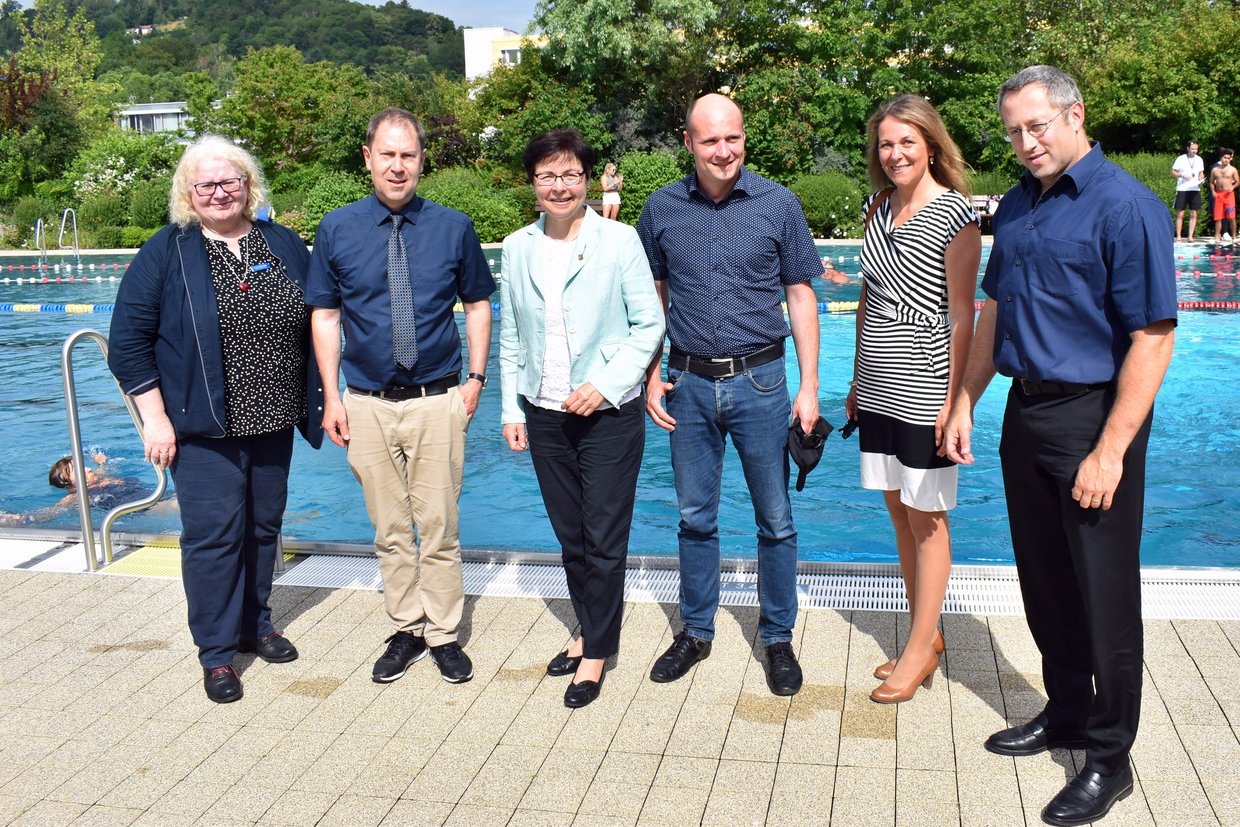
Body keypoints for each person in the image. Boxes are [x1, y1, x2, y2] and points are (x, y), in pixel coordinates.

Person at [942, 66, 1176, 826]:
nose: (1025, 141)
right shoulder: (1014, 206)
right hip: (1026, 415)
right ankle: (1069, 710)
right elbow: (996, 311)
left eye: (1037, 125)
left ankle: (1112, 757)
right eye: (1013, 130)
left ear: (1075, 115)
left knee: (1104, 597)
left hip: (1093, 417)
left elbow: (1152, 337)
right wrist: (965, 401)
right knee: (1045, 582)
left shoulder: (1127, 207)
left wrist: (1111, 449)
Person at [108, 135, 324, 704]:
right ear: (188, 194)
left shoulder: (281, 242)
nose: (220, 192)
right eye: (206, 185)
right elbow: (127, 343)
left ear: (248, 185)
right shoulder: (167, 251)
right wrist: (154, 420)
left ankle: (256, 624)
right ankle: (216, 653)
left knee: (262, 528)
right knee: (212, 537)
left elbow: (321, 317)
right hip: (201, 426)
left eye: (230, 181)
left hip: (274, 417)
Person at [637, 93, 822, 697]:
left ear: (744, 139)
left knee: (775, 519)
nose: (724, 151)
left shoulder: (778, 203)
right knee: (695, 517)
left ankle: (777, 636)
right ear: (687, 142)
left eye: (733, 139)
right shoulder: (661, 208)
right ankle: (695, 631)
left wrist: (809, 386)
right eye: (710, 140)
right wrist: (650, 372)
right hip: (687, 383)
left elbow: (800, 296)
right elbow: (653, 299)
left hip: (763, 381)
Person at [307, 108, 494, 686]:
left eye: (407, 155)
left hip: (438, 397)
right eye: (386, 154)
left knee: (439, 526)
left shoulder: (453, 227)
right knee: (390, 529)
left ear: (421, 161)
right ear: (367, 158)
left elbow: (478, 304)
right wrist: (332, 396)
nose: (397, 166)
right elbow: (326, 313)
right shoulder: (336, 229)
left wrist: (476, 380)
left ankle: (442, 633)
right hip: (365, 402)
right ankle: (406, 627)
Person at [499, 130, 664, 708]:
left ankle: (597, 649)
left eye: (570, 174)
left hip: (608, 415)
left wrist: (606, 385)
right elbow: (512, 331)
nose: (560, 185)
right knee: (571, 537)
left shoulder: (619, 241)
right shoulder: (517, 246)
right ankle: (589, 625)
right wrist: (509, 408)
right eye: (548, 175)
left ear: (588, 180)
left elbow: (648, 325)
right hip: (542, 412)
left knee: (603, 536)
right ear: (534, 184)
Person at [847, 95, 981, 704]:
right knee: (898, 509)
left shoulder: (958, 215)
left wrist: (957, 405)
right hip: (876, 380)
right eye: (886, 143)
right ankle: (926, 636)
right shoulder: (879, 205)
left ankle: (920, 648)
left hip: (925, 383)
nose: (895, 153)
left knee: (927, 517)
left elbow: (961, 317)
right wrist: (853, 380)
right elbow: (870, 298)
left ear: (931, 145)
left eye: (907, 141)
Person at [1171, 140, 1205, 242]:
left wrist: (1201, 179)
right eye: (1193, 149)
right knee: (1181, 213)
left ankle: (1190, 236)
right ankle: (1179, 236)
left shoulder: (1199, 159)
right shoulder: (1181, 159)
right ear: (1188, 149)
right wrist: (1182, 175)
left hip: (1194, 188)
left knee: (1194, 213)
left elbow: (1201, 172)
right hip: (1182, 189)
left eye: (1196, 149)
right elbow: (1172, 172)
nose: (1195, 151)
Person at [1210, 148, 1237, 243]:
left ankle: (1234, 236)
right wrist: (1213, 191)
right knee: (1218, 218)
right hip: (1219, 195)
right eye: (1225, 158)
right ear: (1221, 158)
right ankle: (1217, 236)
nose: (1226, 160)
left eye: (1228, 158)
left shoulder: (1233, 170)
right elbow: (1211, 182)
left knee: (1231, 217)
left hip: (1229, 195)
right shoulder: (1215, 170)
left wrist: (1233, 187)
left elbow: (1238, 181)